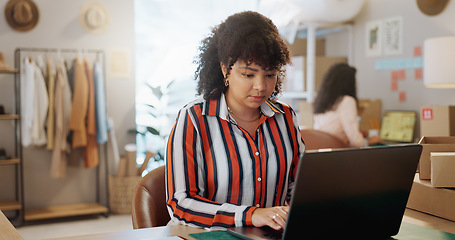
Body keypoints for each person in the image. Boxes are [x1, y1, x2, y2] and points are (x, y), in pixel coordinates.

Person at [165, 11, 305, 230]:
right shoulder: (194, 119)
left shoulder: (285, 118)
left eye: (269, 74)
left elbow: (299, 187)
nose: (260, 86)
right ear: (225, 70)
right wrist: (251, 215)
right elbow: (180, 204)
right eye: (249, 74)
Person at [312, 63, 381, 147]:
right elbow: (356, 142)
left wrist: (359, 134)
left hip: (318, 149)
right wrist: (369, 141)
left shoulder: (322, 101)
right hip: (335, 152)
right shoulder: (347, 101)